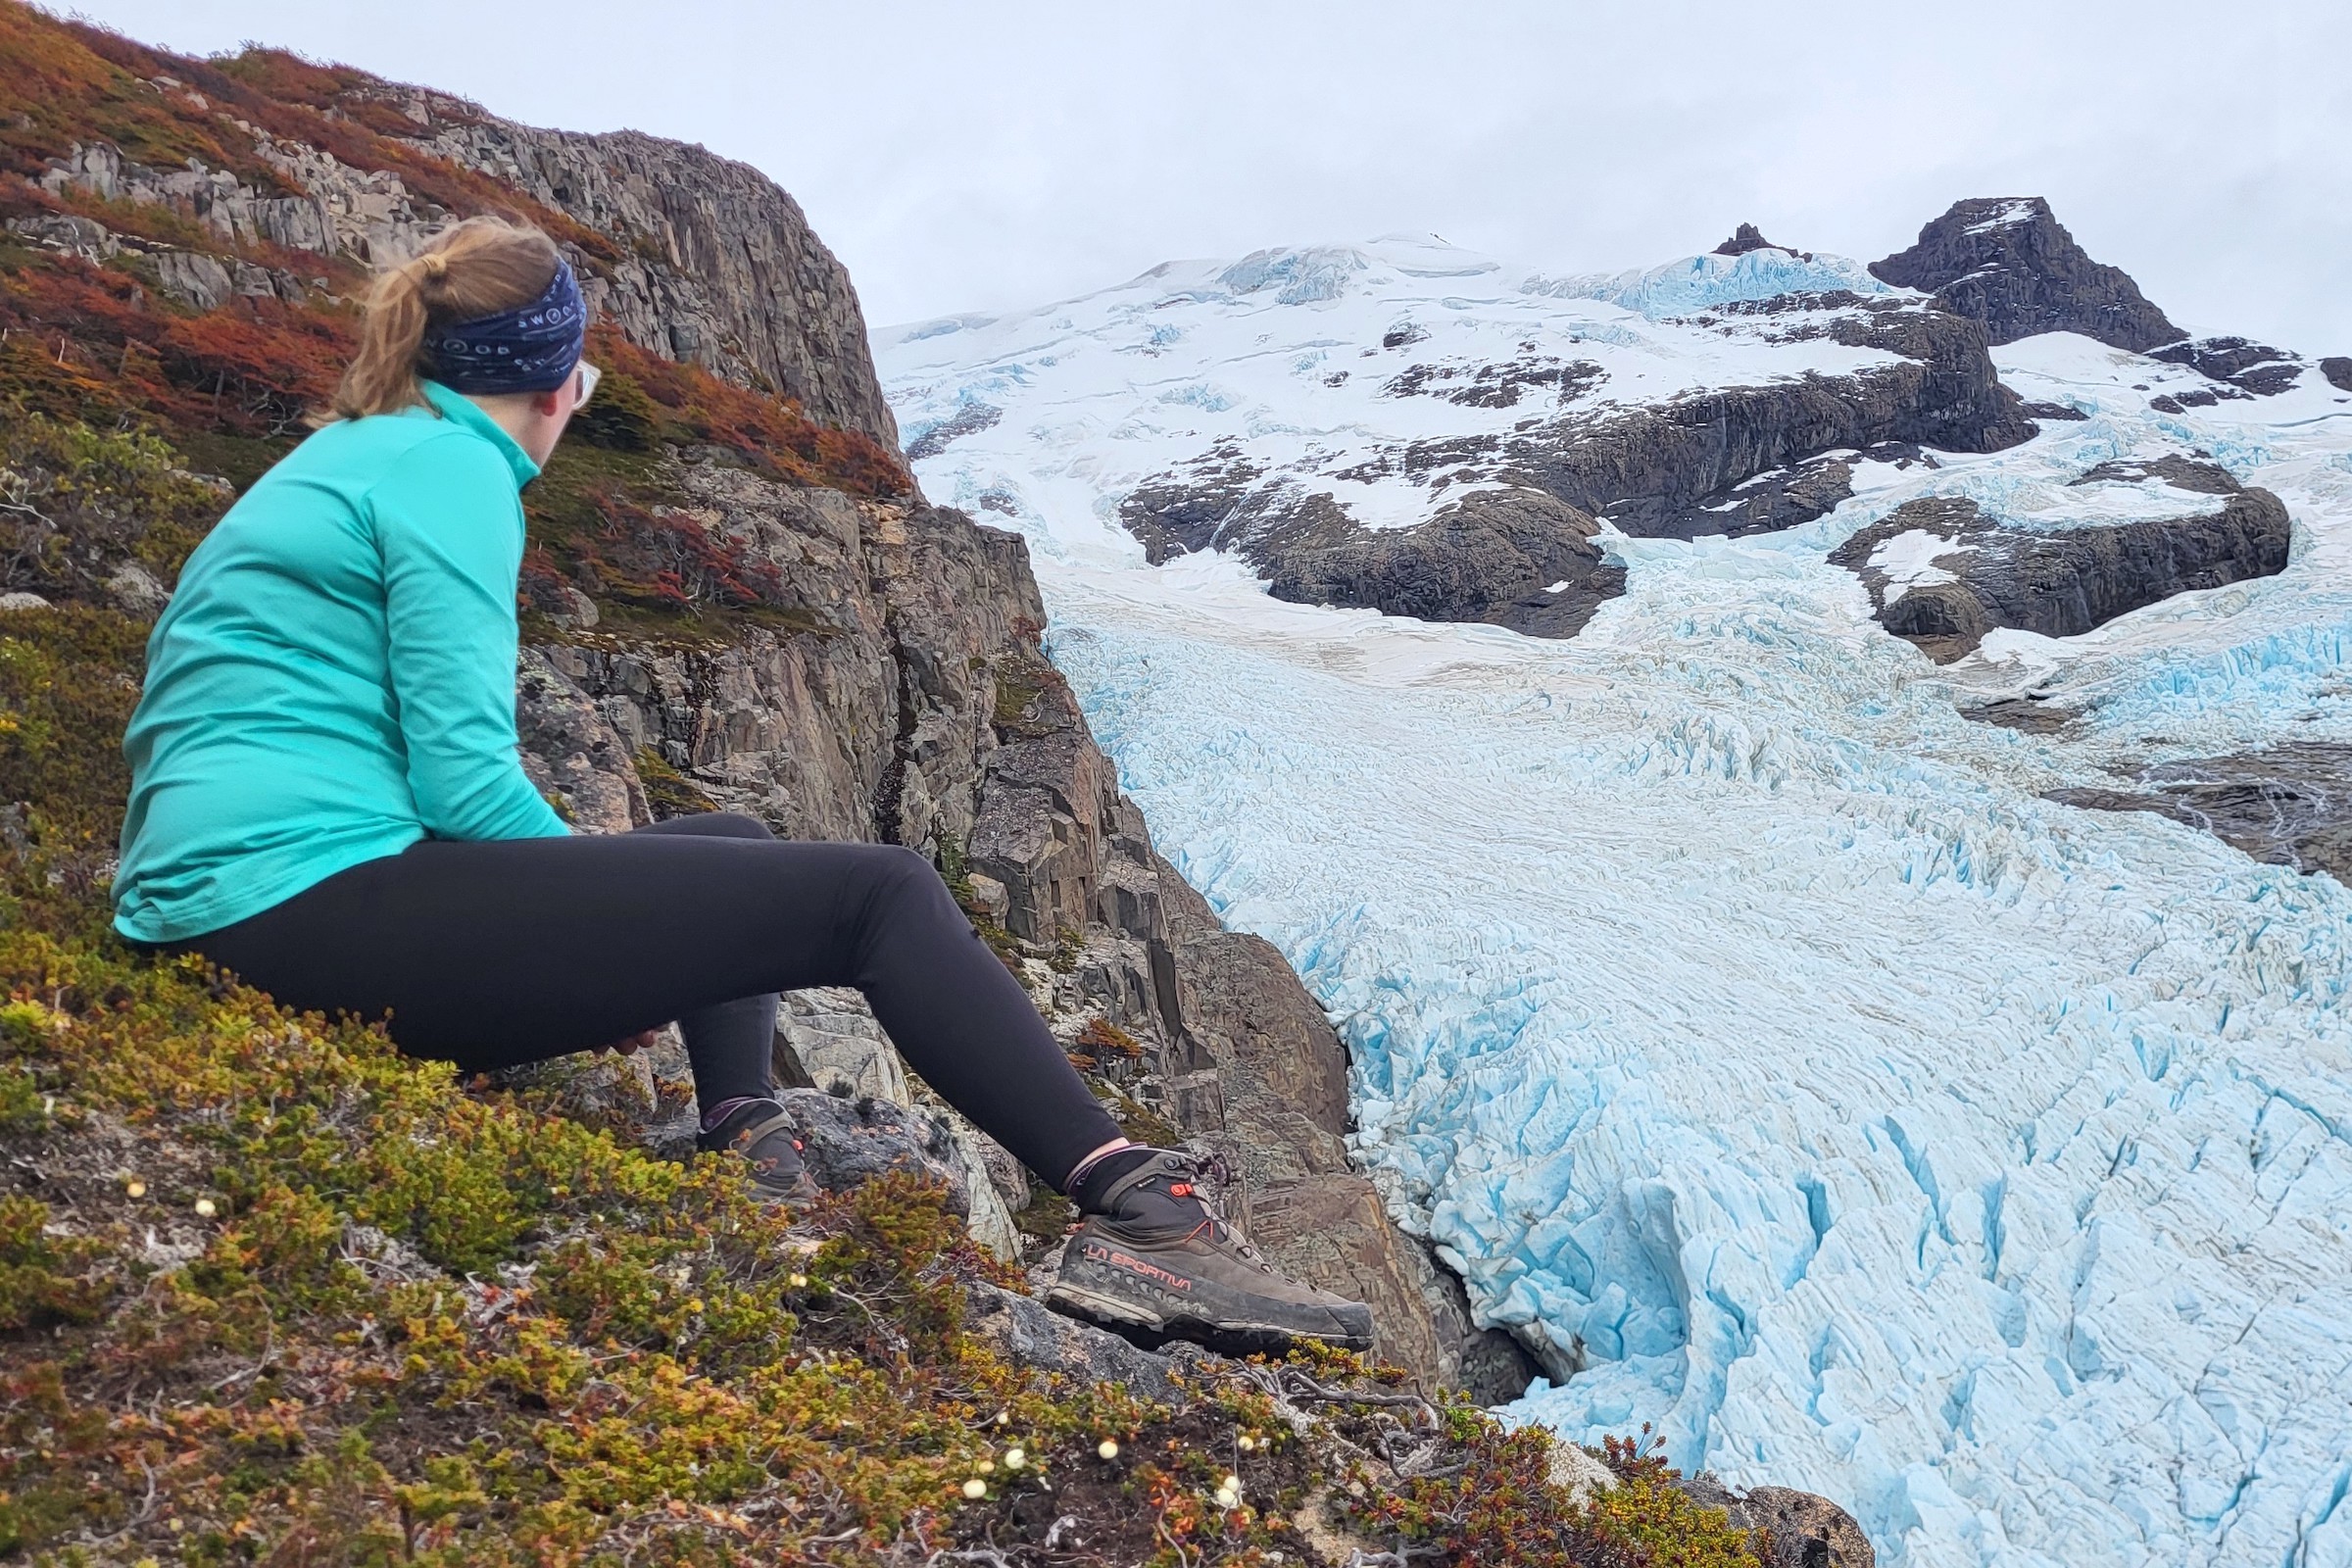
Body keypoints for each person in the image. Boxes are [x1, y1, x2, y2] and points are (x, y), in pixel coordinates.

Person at [111, 216, 1371, 1356]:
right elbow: (461, 777)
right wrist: (598, 954)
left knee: (730, 836)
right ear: (556, 384)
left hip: (245, 908)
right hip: (289, 916)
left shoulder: (364, 452)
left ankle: (745, 1131)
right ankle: (1138, 1212)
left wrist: (606, 936)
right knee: (877, 896)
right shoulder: (454, 473)